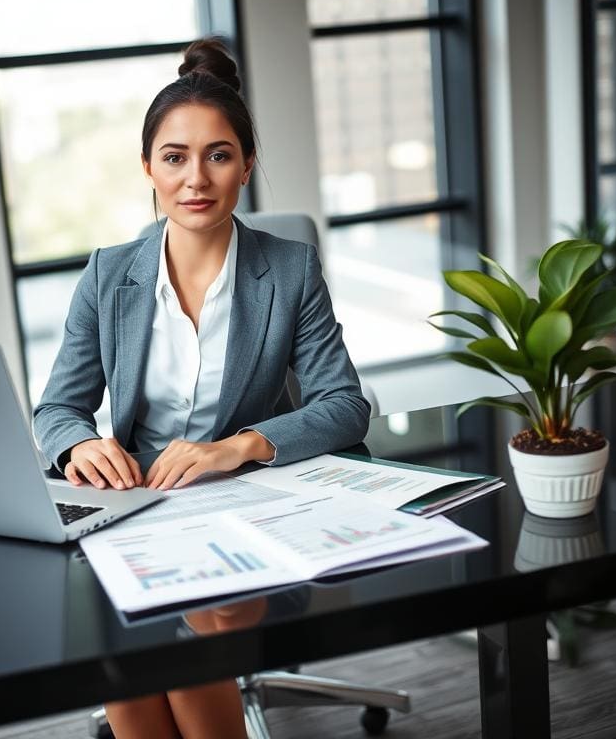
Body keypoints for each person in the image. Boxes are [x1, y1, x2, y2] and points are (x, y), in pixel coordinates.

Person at [33, 38, 369, 739]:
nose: (196, 179)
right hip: (135, 504)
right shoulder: (108, 275)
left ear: (246, 164)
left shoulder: (289, 271)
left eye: (218, 154)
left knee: (196, 626)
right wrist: (80, 448)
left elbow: (344, 406)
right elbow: (59, 409)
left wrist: (238, 447)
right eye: (175, 157)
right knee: (129, 661)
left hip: (243, 502)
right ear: (148, 168)